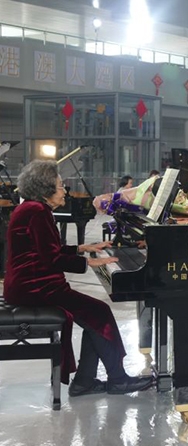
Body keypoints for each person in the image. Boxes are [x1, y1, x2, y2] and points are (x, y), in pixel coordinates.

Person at [3, 160, 153, 397]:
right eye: (60, 186)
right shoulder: (38, 212)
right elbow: (51, 258)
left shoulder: (30, 208)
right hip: (35, 288)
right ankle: (117, 379)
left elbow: (44, 249)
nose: (64, 190)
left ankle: (85, 382)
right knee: (99, 311)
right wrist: (89, 262)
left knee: (94, 315)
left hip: (27, 284)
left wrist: (82, 248)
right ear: (45, 189)